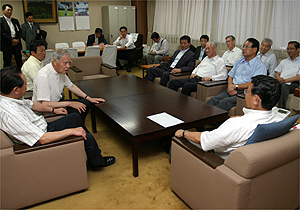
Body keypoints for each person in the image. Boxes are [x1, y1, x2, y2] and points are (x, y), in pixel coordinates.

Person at [0, 66, 115, 168]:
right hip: (42, 138)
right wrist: (71, 131)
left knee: (74, 117)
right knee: (87, 137)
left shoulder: (11, 98)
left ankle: (84, 148)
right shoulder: (12, 114)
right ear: (15, 90)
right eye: (25, 83)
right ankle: (97, 162)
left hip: (42, 127)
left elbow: (32, 104)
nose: (27, 86)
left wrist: (53, 110)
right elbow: (42, 139)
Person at [175, 75, 283, 159]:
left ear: (256, 100)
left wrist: (183, 132)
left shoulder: (236, 125)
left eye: (247, 91)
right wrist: (242, 117)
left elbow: (206, 140)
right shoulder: (278, 116)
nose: (245, 95)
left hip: (217, 159)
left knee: (177, 140)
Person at [33, 49, 105, 122]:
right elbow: (45, 103)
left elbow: (71, 86)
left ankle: (78, 125)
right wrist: (70, 104)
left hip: (57, 103)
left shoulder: (60, 70)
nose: (68, 66)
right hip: (46, 110)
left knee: (85, 103)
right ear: (55, 62)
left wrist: (88, 98)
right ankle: (77, 126)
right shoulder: (43, 76)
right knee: (75, 114)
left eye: (69, 63)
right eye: (65, 63)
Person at [207, 38, 267, 111]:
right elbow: (230, 76)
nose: (244, 49)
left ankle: (215, 121)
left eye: (247, 47)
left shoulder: (260, 66)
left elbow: (254, 84)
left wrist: (236, 86)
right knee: (212, 100)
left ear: (255, 49)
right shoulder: (239, 62)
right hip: (231, 88)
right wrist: (230, 87)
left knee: (224, 103)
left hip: (245, 93)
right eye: (243, 46)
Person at [274, 41, 300, 109]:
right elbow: (277, 74)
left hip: (294, 84)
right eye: (288, 49)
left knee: (284, 86)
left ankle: (281, 109)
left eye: (291, 49)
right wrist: (279, 78)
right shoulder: (283, 61)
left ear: (298, 50)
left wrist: (285, 80)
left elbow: (298, 77)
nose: (289, 51)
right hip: (282, 81)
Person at [0, 4, 22, 70]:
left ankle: (19, 75)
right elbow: (1, 33)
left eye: (11, 10)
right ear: (3, 10)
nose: (10, 12)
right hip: (7, 44)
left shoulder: (15, 20)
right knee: (7, 62)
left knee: (19, 61)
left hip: (17, 44)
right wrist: (11, 40)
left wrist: (17, 40)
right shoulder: (1, 21)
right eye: (8, 10)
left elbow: (19, 31)